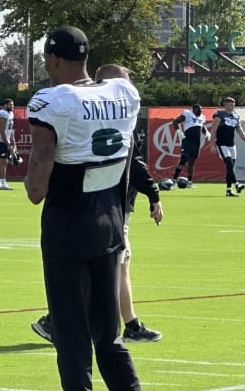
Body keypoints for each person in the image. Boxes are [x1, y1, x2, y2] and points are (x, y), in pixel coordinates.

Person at [24, 26, 142, 390]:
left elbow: (35, 189)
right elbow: (115, 77)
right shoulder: (124, 93)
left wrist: (34, 177)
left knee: (73, 339)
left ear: (54, 60)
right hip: (108, 221)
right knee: (109, 335)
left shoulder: (54, 101)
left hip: (68, 227)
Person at [32, 63, 164, 346]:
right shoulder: (105, 111)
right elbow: (135, 163)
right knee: (111, 263)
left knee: (116, 264)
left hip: (102, 203)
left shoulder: (96, 109)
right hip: (106, 204)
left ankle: (126, 323)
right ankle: (60, 321)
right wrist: (153, 194)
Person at [210, 97, 245, 197]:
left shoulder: (236, 116)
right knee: (229, 164)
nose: (233, 106)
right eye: (231, 104)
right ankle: (236, 184)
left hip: (231, 145)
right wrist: (212, 144)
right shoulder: (220, 115)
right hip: (222, 144)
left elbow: (240, 130)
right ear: (226, 105)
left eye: (234, 104)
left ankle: (229, 190)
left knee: (230, 167)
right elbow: (213, 130)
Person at [171, 104, 210, 188]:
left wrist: (207, 134)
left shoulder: (202, 117)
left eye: (201, 110)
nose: (200, 111)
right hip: (187, 140)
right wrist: (179, 132)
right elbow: (175, 122)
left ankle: (189, 182)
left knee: (191, 162)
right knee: (183, 160)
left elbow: (202, 126)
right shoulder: (188, 114)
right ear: (194, 109)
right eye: (199, 110)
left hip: (196, 142)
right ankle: (173, 181)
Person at [0, 99, 16, 190]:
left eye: (13, 105)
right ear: (5, 105)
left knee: (5, 162)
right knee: (2, 162)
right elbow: (2, 131)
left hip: (6, 140)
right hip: (0, 140)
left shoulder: (11, 114)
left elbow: (10, 130)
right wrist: (8, 144)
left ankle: (2, 182)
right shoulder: (2, 113)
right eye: (10, 105)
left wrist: (13, 141)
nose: (12, 106)